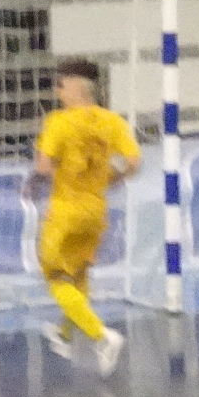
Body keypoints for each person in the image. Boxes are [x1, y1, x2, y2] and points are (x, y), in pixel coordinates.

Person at [31, 58, 142, 377]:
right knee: (77, 274)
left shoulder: (58, 122)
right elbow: (134, 162)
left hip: (65, 211)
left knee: (55, 276)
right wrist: (114, 178)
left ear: (76, 87)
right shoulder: (112, 121)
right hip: (95, 210)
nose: (58, 92)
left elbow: (43, 166)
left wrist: (45, 176)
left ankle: (102, 336)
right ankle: (64, 334)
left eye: (61, 85)